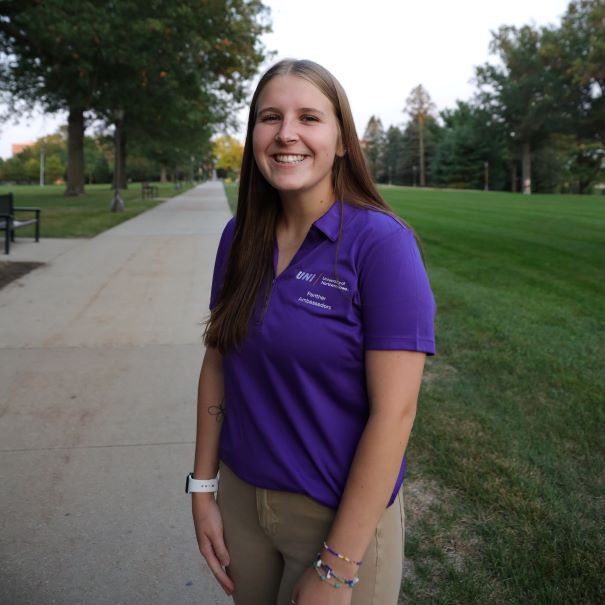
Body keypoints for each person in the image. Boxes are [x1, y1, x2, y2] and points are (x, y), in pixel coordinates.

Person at [188, 59, 436, 605]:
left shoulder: (382, 245)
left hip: (336, 517)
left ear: (342, 139)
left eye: (309, 118)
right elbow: (217, 364)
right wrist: (204, 488)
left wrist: (338, 567)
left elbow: (394, 413)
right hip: (243, 503)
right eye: (270, 117)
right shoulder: (239, 237)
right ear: (254, 134)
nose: (287, 134)